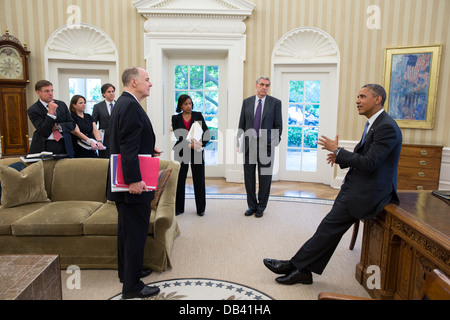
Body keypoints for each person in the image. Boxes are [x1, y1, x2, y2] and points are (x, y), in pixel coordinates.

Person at [263, 84, 402, 285]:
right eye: (357, 96)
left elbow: (370, 163)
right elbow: (366, 157)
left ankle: (294, 265)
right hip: (356, 186)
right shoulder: (374, 123)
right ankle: (302, 270)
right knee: (328, 231)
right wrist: (341, 157)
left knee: (327, 230)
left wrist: (337, 151)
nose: (357, 100)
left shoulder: (386, 127)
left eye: (362, 96)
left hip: (368, 193)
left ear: (378, 99)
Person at [106, 67, 162, 299]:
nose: (150, 84)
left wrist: (149, 149)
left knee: (127, 233)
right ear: (133, 81)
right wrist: (134, 180)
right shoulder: (129, 105)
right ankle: (132, 287)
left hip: (127, 180)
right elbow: (127, 146)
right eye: (147, 80)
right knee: (135, 234)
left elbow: (125, 140)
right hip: (132, 185)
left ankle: (129, 272)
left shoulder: (124, 102)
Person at [237, 76, 283, 218]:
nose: (264, 87)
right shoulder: (246, 102)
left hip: (266, 147)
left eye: (267, 85)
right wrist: (239, 142)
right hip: (249, 145)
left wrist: (273, 142)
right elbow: (242, 124)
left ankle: (261, 207)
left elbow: (278, 125)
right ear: (256, 85)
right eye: (262, 84)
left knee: (265, 178)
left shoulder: (275, 103)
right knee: (249, 178)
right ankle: (251, 206)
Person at [172, 94, 210, 216]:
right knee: (180, 180)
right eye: (186, 104)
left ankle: (201, 209)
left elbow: (207, 133)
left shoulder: (198, 115)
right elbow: (178, 136)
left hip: (197, 151)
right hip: (182, 151)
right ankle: (179, 208)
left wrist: (200, 144)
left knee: (199, 180)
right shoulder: (175, 118)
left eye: (190, 103)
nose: (189, 106)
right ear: (180, 106)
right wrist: (189, 145)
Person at [27, 80, 76, 158]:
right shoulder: (33, 110)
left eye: (51, 90)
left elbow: (72, 124)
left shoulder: (61, 104)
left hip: (65, 144)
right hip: (46, 145)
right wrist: (50, 113)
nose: (50, 93)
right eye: (46, 91)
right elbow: (44, 130)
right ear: (38, 93)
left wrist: (57, 126)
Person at [92, 83, 116, 159]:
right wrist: (97, 140)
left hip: (118, 138)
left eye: (113, 91)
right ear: (104, 94)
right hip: (104, 139)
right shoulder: (98, 107)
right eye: (109, 92)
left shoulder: (119, 104)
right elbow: (93, 124)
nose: (111, 93)